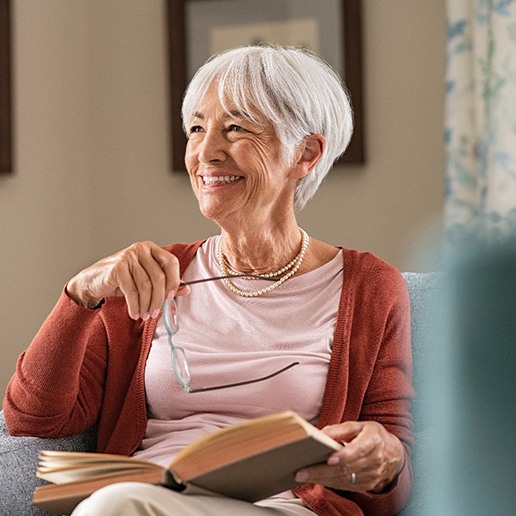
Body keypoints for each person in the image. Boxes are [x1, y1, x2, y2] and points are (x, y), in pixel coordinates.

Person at [3, 45, 414, 515]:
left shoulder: (369, 288)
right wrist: (80, 296)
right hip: (151, 498)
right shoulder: (150, 277)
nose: (205, 152)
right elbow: (33, 418)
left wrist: (386, 459)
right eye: (197, 128)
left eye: (235, 128)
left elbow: (393, 473)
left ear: (306, 152)